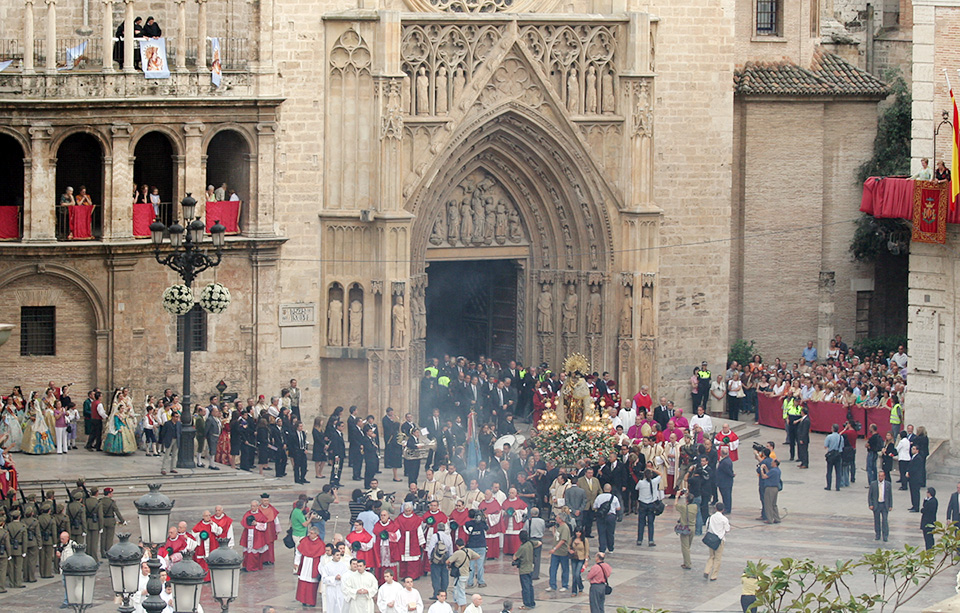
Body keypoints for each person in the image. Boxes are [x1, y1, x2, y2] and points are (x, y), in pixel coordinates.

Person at [295, 526, 325, 607]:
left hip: (314, 565)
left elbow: (322, 557)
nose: (309, 535)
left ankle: (311, 601)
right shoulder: (305, 541)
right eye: (309, 533)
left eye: (311, 533)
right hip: (305, 563)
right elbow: (298, 552)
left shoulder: (320, 544)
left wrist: (321, 569)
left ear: (316, 534)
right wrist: (296, 562)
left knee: (312, 584)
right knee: (303, 581)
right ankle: (303, 600)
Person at [446, 541, 478, 613]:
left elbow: (448, 561)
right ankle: (457, 610)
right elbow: (478, 556)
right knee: (457, 592)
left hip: (459, 575)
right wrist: (468, 560)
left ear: (457, 545)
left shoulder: (458, 553)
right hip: (466, 574)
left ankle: (461, 611)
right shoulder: (469, 551)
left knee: (460, 593)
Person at [635, 468, 662, 547]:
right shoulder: (654, 482)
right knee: (650, 523)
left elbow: (636, 488)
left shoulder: (641, 483)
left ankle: (640, 540)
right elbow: (661, 474)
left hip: (642, 504)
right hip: (651, 504)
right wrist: (653, 469)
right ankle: (651, 540)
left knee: (641, 523)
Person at [703, 502, 730, 581]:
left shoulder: (711, 517)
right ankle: (713, 575)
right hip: (719, 540)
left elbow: (707, 525)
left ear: (715, 508)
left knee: (711, 556)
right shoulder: (724, 519)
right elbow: (727, 529)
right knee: (718, 558)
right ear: (723, 509)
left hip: (711, 539)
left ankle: (707, 570)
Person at [545, 513, 570, 593]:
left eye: (557, 517)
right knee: (552, 568)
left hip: (563, 552)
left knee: (565, 569)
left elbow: (563, 540)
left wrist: (554, 549)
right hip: (556, 553)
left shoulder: (565, 528)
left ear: (561, 519)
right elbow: (557, 537)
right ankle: (552, 585)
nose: (556, 518)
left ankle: (565, 585)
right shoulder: (559, 527)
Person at [426, 522, 452, 599]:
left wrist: (429, 558)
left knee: (436, 576)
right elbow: (451, 549)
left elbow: (430, 548)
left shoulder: (434, 536)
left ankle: (437, 594)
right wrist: (450, 559)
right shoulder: (448, 536)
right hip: (446, 557)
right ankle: (444, 593)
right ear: (444, 529)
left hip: (436, 559)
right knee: (445, 576)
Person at [592, 483, 619, 553]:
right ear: (610, 489)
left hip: (601, 516)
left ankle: (602, 548)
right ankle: (611, 548)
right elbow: (618, 508)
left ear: (603, 489)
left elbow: (594, 506)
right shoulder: (614, 498)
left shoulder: (599, 497)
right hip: (611, 516)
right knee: (610, 533)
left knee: (601, 533)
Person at [513, 530, 537, 609]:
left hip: (523, 569)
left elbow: (515, 557)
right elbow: (539, 543)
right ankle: (532, 602)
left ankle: (527, 604)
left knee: (525, 588)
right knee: (530, 586)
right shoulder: (530, 544)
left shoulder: (522, 547)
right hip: (530, 568)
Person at [321, 548, 350, 613]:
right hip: (331, 588)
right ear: (333, 555)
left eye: (339, 555)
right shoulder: (327, 566)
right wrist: (334, 578)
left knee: (340, 605)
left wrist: (341, 577)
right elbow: (324, 579)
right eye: (337, 555)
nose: (339, 557)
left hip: (340, 588)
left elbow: (347, 576)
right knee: (331, 606)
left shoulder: (343, 565)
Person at [675, 491, 697, 570]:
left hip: (685, 528)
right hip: (693, 527)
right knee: (688, 546)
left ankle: (687, 563)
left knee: (685, 547)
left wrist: (677, 496)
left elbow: (676, 505)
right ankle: (686, 561)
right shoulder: (695, 507)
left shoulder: (684, 507)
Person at [158, 411, 181, 475]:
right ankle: (163, 468)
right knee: (167, 454)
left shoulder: (179, 424)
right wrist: (164, 440)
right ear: (172, 417)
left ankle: (173, 468)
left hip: (176, 439)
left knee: (174, 455)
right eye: (176, 417)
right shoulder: (167, 423)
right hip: (169, 439)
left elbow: (180, 432)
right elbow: (163, 432)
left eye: (178, 417)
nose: (177, 418)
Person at [760, 459, 781, 524]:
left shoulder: (773, 471)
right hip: (775, 488)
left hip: (770, 488)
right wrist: (766, 468)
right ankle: (777, 518)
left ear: (775, 463)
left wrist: (761, 469)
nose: (771, 463)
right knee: (773, 504)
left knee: (768, 504)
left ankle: (769, 519)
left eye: (772, 462)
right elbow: (769, 473)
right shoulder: (777, 470)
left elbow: (764, 476)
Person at [823, 424, 843, 491]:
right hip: (838, 455)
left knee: (829, 471)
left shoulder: (829, 437)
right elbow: (841, 447)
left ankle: (829, 486)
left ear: (832, 429)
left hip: (831, 455)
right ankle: (837, 487)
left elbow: (825, 446)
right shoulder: (841, 437)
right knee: (838, 471)